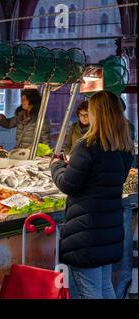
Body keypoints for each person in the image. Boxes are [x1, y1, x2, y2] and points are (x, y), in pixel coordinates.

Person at [50, 91, 134, 299]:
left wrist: (56, 166)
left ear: (98, 114)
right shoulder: (124, 148)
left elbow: (67, 184)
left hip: (86, 235)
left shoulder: (86, 146)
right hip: (109, 232)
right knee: (105, 287)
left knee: (90, 292)